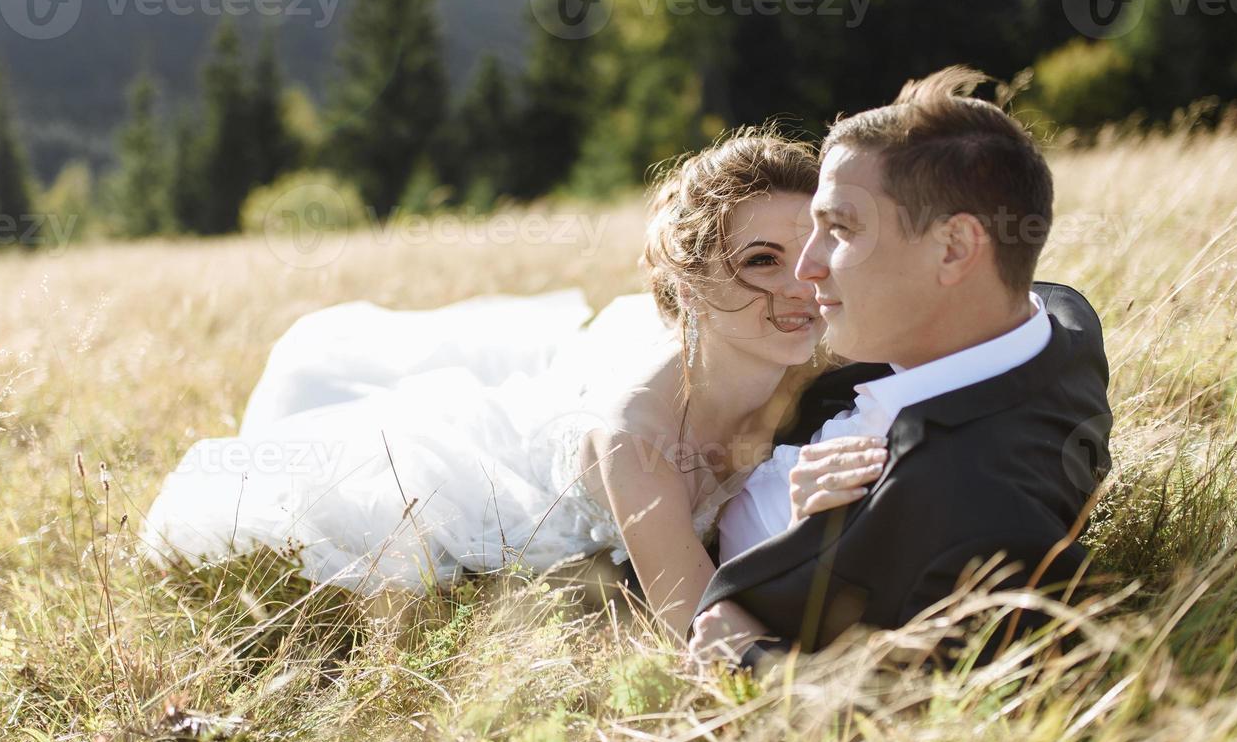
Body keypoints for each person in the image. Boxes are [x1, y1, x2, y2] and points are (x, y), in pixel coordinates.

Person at [141, 129, 826, 643]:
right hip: (481, 485)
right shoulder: (635, 439)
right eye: (761, 260)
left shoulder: (824, 359)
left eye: (812, 254)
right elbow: (694, 626)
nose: (802, 285)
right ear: (690, 279)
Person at [689, 66, 1113, 664]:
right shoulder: (1055, 324)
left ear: (954, 248)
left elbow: (948, 707)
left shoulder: (969, 513)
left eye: (839, 229)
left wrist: (743, 652)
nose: (806, 268)